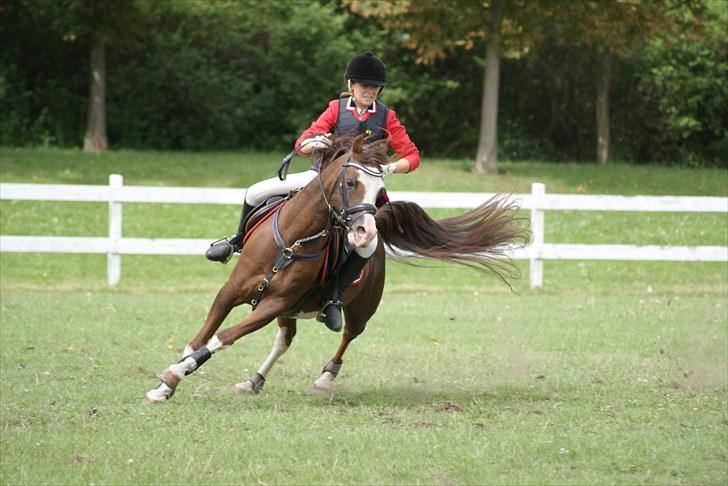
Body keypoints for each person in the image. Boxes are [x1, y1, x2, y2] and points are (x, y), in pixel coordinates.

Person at [205, 52, 420, 331]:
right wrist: (313, 143)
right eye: (364, 85)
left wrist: (388, 169)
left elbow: (412, 156)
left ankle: (333, 297)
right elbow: (303, 142)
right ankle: (236, 241)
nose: (370, 91)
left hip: (360, 192)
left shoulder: (386, 116)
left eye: (375, 87)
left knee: (367, 245)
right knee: (255, 191)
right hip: (319, 181)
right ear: (351, 84)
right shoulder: (335, 109)